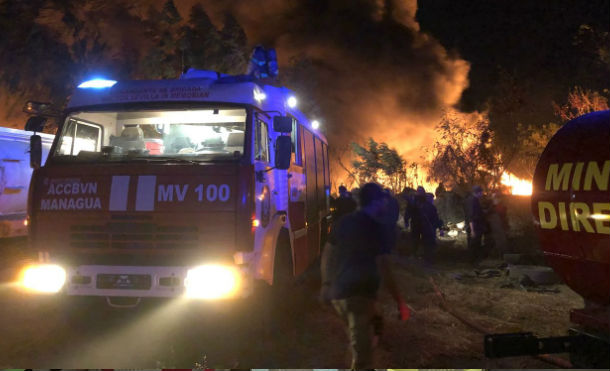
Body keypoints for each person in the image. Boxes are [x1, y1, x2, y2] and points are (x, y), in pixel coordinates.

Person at [320, 183, 409, 368]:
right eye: (382, 201)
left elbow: (327, 253)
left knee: (369, 330)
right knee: (364, 359)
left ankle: (358, 352)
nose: (386, 204)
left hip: (340, 296)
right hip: (358, 296)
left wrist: (326, 284)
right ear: (375, 202)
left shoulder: (343, 222)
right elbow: (385, 268)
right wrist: (400, 301)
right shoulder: (378, 229)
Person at [464, 185, 487, 264]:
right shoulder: (473, 201)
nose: (482, 194)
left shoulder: (471, 200)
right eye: (481, 192)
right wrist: (473, 230)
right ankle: (472, 263)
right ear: (478, 192)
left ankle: (473, 262)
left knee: (474, 245)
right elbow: (471, 216)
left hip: (474, 227)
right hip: (474, 227)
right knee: (474, 246)